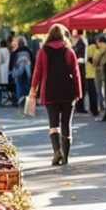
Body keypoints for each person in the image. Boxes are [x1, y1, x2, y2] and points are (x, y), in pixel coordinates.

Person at [29, 24, 82, 166]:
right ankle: (65, 157)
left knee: (53, 123)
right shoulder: (69, 51)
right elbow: (76, 74)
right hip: (67, 91)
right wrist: (78, 92)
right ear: (63, 35)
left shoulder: (43, 51)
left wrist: (33, 88)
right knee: (66, 124)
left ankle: (57, 152)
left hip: (49, 91)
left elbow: (37, 72)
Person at [11, 36, 34, 104]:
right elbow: (33, 61)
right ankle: (27, 100)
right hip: (28, 71)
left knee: (19, 85)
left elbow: (12, 63)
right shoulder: (29, 51)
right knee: (27, 85)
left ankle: (20, 99)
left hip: (18, 71)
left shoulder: (15, 52)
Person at [93, 36, 106, 114]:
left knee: (99, 90)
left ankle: (101, 105)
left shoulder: (97, 51)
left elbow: (94, 61)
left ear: (100, 42)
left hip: (98, 72)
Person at [72, 29, 89, 114]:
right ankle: (79, 107)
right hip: (80, 66)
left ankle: (79, 107)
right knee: (80, 85)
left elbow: (79, 54)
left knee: (80, 85)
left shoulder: (81, 42)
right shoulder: (81, 41)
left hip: (80, 65)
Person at [85, 39, 100, 116]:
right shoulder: (93, 47)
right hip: (91, 73)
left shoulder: (91, 47)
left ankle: (93, 109)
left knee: (92, 93)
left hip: (89, 73)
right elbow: (91, 59)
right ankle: (94, 110)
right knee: (93, 93)